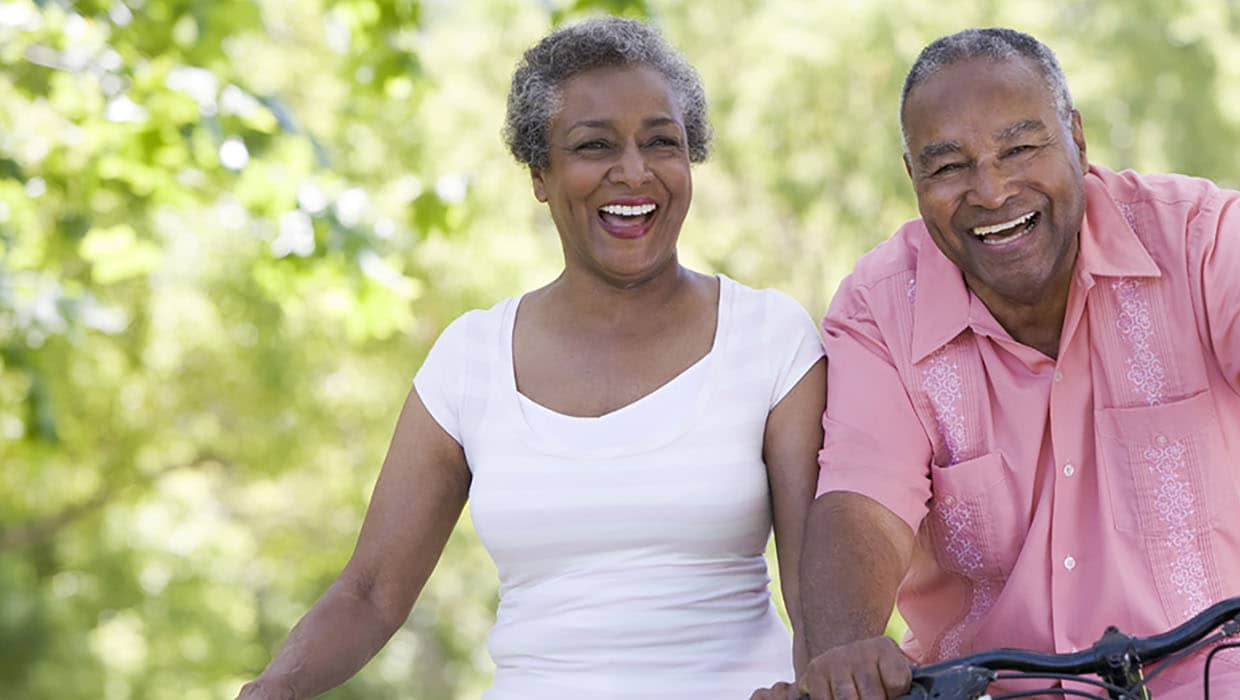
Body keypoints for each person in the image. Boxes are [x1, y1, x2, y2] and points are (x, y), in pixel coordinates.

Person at [756, 28, 1240, 700]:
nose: (993, 190)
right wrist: (845, 650)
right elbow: (863, 509)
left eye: (1020, 149)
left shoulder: (1195, 240)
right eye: (948, 167)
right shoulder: (881, 308)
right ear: (912, 177)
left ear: (1078, 138)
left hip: (1238, 680)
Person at [237, 17, 825, 699]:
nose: (632, 172)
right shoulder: (471, 358)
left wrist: (815, 687)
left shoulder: (770, 336)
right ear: (540, 174)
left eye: (661, 142)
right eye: (593, 146)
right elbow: (372, 591)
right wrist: (274, 687)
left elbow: (820, 584)